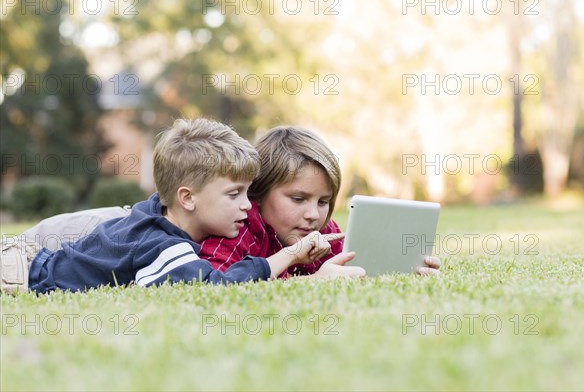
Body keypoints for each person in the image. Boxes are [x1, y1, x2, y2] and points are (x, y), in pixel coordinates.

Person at [0, 119, 340, 294]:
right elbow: (214, 288)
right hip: (23, 273)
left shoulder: (163, 215)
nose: (246, 207)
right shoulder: (163, 245)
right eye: (234, 195)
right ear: (187, 198)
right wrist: (291, 257)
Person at [198, 126, 441, 278]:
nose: (314, 214)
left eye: (323, 201)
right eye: (298, 199)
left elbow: (360, 270)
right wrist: (312, 282)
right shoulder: (237, 230)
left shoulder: (325, 232)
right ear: (258, 195)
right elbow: (215, 282)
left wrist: (408, 271)